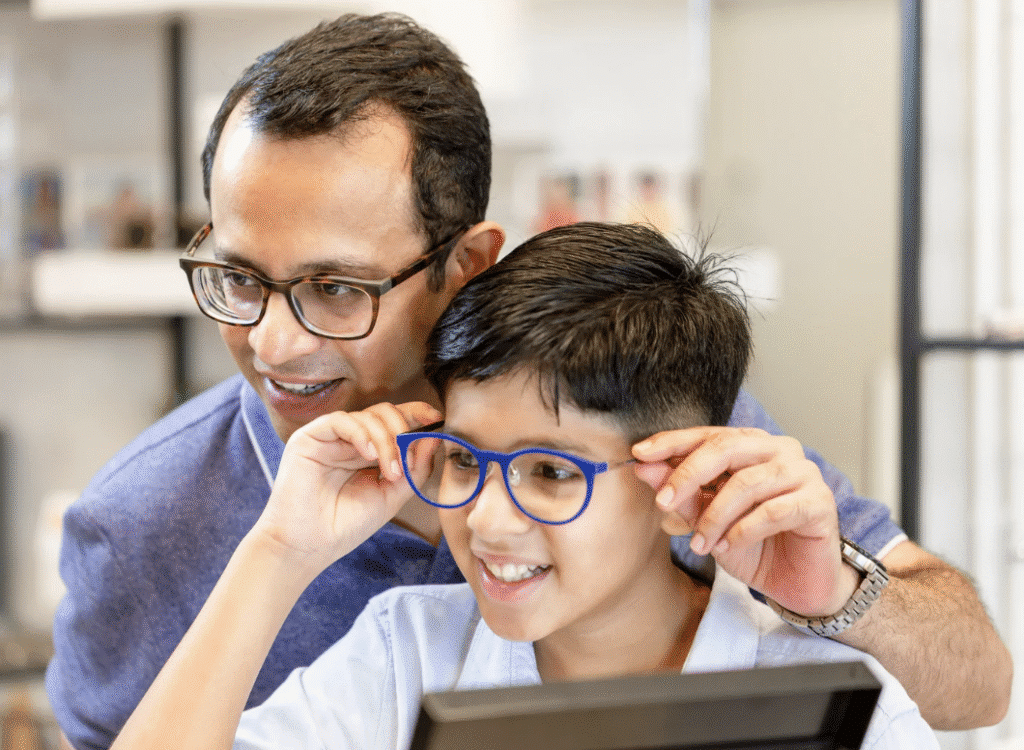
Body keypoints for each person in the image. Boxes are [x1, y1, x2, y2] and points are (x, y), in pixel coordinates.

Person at [45, 12, 1008, 750]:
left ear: (466, 264)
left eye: (336, 288)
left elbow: (975, 685)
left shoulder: (652, 415)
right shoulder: (149, 533)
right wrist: (277, 554)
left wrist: (841, 598)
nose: (277, 342)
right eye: (241, 278)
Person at [110, 222, 937, 749]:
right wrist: (280, 549)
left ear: (676, 478)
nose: (489, 522)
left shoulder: (835, 703)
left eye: (549, 472)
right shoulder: (403, 658)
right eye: (464, 461)